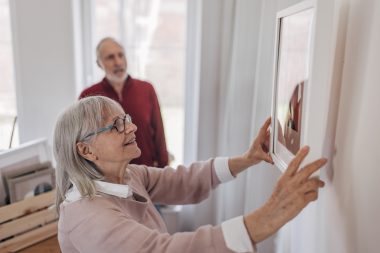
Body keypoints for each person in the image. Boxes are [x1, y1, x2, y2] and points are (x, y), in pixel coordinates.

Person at [54, 96, 326, 253]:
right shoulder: (85, 215)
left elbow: (183, 181)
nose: (132, 127)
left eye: (126, 119)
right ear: (86, 150)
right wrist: (267, 218)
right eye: (116, 125)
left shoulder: (127, 175)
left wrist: (246, 159)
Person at [79, 37, 168, 167]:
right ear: (99, 63)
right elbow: (85, 140)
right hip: (108, 176)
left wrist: (163, 166)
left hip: (147, 171)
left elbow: (159, 133)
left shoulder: (146, 89)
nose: (118, 62)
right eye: (110, 57)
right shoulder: (88, 96)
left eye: (121, 55)